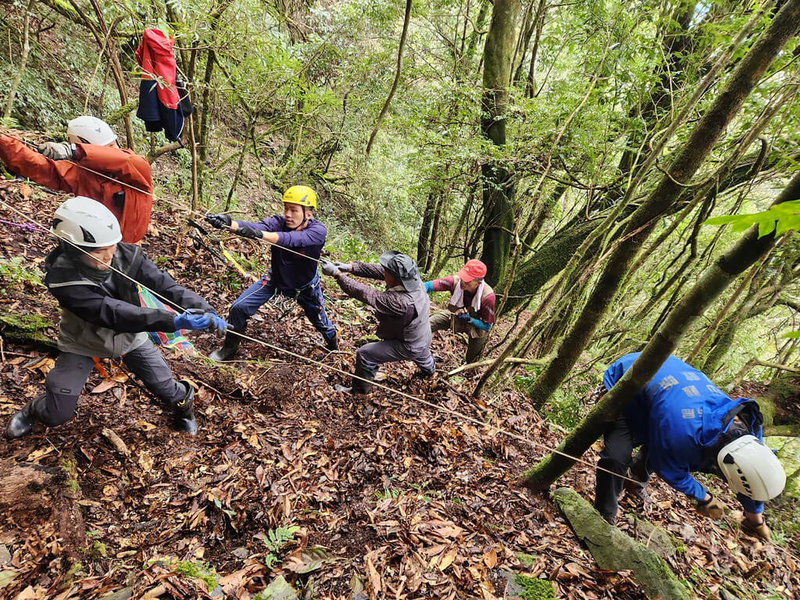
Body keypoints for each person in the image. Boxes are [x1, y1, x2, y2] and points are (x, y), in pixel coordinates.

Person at [5, 197, 226, 439]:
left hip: (131, 337)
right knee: (57, 413)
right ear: (73, 248)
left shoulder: (126, 255)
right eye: (101, 252)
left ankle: (184, 410)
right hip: (82, 340)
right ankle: (34, 410)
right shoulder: (63, 278)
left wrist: (205, 309)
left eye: (113, 247)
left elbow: (166, 286)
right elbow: (111, 312)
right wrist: (173, 321)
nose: (111, 255)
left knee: (167, 388)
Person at [594, 352, 785, 540]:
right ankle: (604, 515)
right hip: (629, 382)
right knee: (616, 459)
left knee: (668, 441)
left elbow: (750, 478)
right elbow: (669, 469)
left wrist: (756, 520)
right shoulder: (681, 434)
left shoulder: (750, 426)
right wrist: (703, 497)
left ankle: (635, 478)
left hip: (670, 396)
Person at [205, 185, 337, 360]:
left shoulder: (318, 231)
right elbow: (257, 225)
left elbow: (290, 239)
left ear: (308, 214)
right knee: (238, 308)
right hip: (276, 279)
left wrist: (260, 234)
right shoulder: (279, 222)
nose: (288, 214)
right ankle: (229, 349)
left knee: (322, 324)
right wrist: (229, 223)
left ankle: (334, 348)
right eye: (286, 209)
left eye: (294, 210)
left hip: (305, 288)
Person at [0, 116, 152, 243]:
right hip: (97, 245)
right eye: (109, 145)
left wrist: (73, 150)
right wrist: (4, 142)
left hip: (127, 247)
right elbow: (39, 167)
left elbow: (124, 161)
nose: (115, 149)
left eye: (113, 145)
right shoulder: (82, 174)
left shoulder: (138, 168)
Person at [321, 252, 434, 393]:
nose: (384, 272)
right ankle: (430, 370)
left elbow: (365, 293)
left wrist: (337, 274)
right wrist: (350, 267)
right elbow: (379, 271)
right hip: (422, 334)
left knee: (365, 354)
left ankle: (360, 391)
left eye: (387, 271)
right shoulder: (413, 281)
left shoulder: (400, 302)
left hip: (408, 344)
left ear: (395, 277)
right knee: (422, 353)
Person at [424, 259, 495, 363]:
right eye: (463, 277)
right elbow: (428, 286)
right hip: (456, 315)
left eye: (467, 280)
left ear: (478, 282)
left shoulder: (488, 297)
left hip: (477, 326)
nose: (463, 282)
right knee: (429, 324)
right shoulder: (455, 282)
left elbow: (487, 326)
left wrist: (470, 319)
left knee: (472, 360)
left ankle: (466, 371)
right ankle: (417, 351)